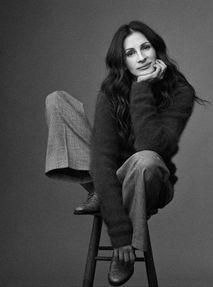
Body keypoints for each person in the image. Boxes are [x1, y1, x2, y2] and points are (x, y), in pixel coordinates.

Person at [45, 20, 204, 286]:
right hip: (111, 173)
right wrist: (118, 234)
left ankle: (125, 238)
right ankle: (100, 189)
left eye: (146, 48)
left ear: (157, 50)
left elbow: (151, 145)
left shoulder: (180, 91)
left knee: (145, 160)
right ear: (122, 61)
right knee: (57, 101)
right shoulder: (112, 91)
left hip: (149, 178)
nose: (141, 57)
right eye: (131, 53)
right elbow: (103, 157)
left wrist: (142, 88)